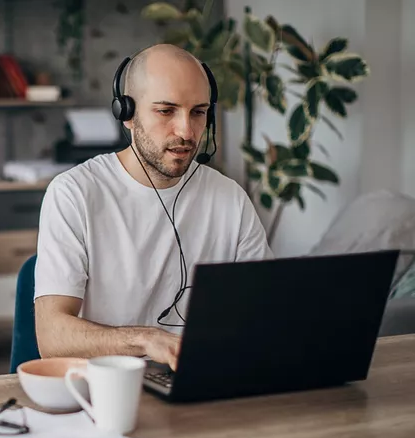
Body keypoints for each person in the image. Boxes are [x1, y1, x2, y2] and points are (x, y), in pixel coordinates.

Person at [33, 44, 273, 371]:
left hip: (203, 381)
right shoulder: (74, 193)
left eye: (199, 112)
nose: (186, 131)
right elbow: (52, 338)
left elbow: (265, 311)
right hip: (107, 392)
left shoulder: (229, 197)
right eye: (166, 111)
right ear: (127, 114)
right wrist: (147, 340)